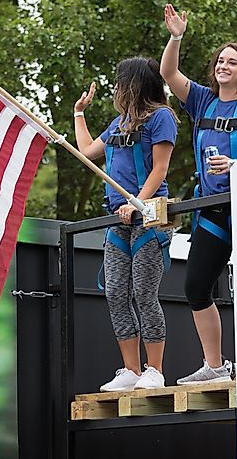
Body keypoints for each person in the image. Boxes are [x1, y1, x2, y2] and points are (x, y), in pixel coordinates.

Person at [160, 3, 237, 384]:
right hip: (210, 213)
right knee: (196, 287)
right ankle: (215, 366)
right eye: (220, 61)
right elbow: (168, 73)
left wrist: (236, 167)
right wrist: (176, 36)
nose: (223, 66)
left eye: (232, 62)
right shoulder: (202, 101)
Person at [73, 56, 179, 391]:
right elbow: (88, 152)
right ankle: (130, 369)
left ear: (135, 84)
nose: (117, 88)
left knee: (144, 294)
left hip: (149, 214)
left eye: (121, 82)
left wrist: (137, 204)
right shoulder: (119, 123)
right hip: (118, 216)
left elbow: (160, 169)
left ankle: (155, 370)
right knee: (116, 293)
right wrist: (79, 113)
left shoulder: (161, 118)